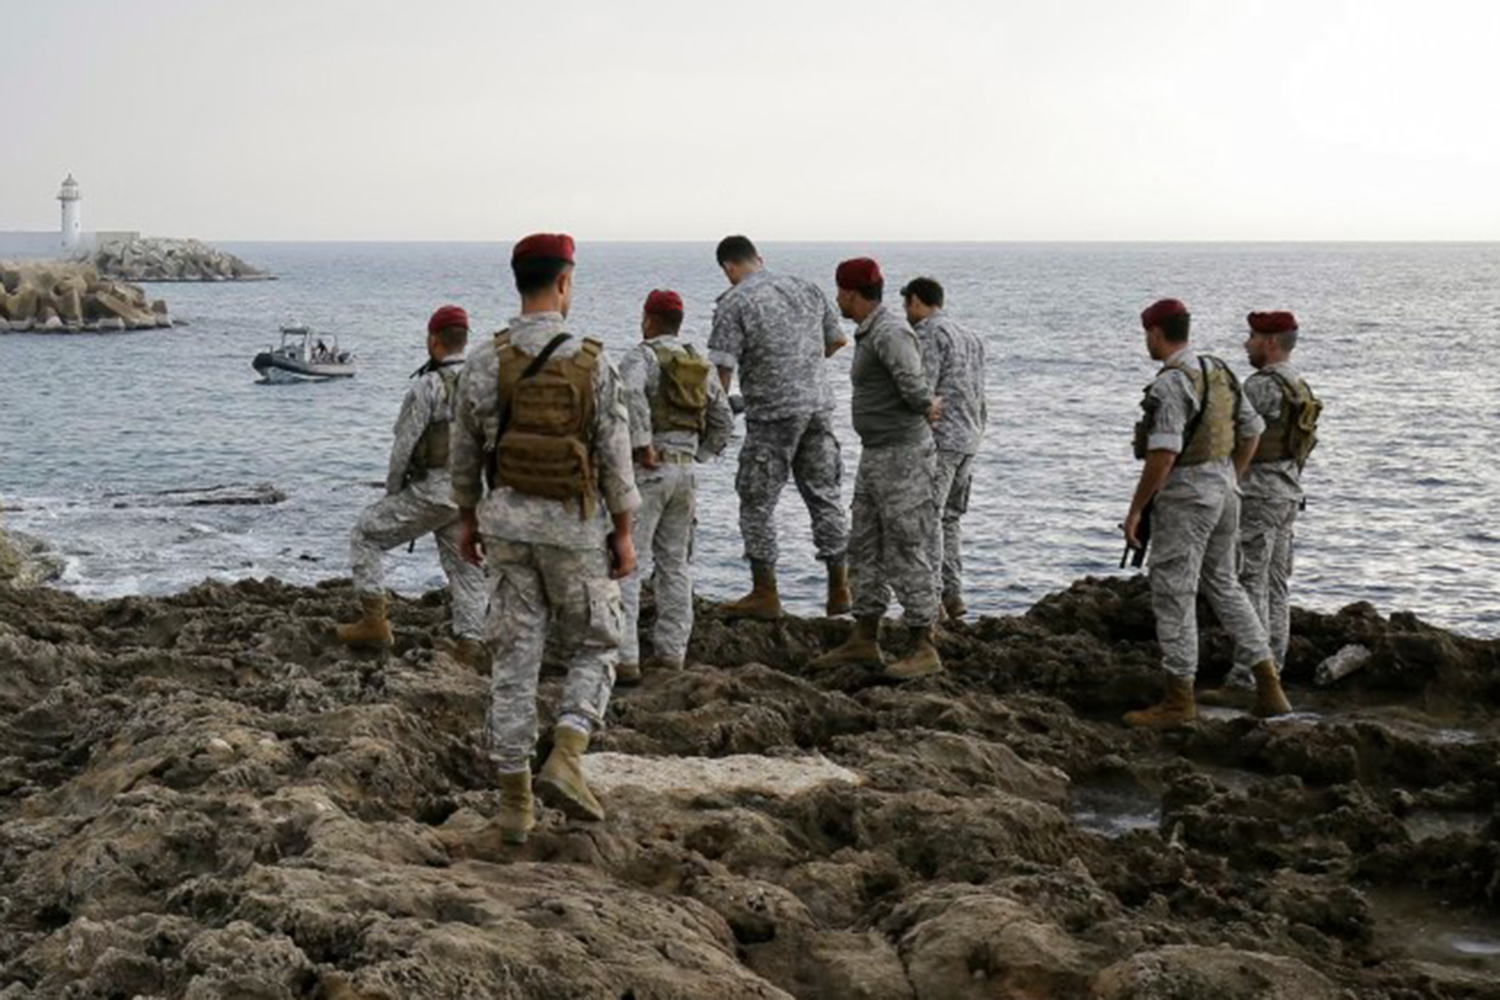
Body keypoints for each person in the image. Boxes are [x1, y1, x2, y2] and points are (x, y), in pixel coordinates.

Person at [450, 233, 640, 846]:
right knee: (597, 642)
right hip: (576, 530)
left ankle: (513, 806)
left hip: (505, 529)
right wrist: (626, 531)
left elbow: (463, 457)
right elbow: (616, 459)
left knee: (514, 662)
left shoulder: (484, 361)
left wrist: (469, 518)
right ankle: (568, 747)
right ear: (564, 281)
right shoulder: (594, 363)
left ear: (519, 282)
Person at [1122, 298, 1292, 728]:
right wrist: (1229, 478)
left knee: (1173, 592)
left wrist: (1136, 510)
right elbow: (1251, 431)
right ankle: (1268, 684)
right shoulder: (1218, 371)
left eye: (1147, 334)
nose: (1146, 341)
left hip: (1186, 498)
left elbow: (1163, 453)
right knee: (1225, 585)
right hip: (1225, 494)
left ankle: (1179, 699)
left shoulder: (1171, 384)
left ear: (1156, 333)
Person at [336, 305, 487, 669]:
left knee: (365, 534)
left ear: (433, 341)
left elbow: (404, 445)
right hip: (469, 493)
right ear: (464, 340)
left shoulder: (427, 386)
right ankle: (471, 643)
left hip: (432, 490)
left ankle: (374, 621)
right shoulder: (483, 384)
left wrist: (393, 492)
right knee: (466, 567)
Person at [708, 235, 851, 619]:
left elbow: (722, 370)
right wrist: (800, 363)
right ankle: (840, 589)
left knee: (756, 501)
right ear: (759, 258)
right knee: (824, 495)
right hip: (819, 407)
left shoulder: (734, 302)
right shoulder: (807, 289)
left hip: (772, 414)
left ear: (728, 268)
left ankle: (765, 592)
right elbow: (837, 341)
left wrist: (716, 419)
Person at [813, 258, 942, 679]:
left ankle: (923, 644)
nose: (837, 300)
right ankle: (864, 637)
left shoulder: (889, 331)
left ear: (851, 293)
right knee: (864, 543)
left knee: (906, 544)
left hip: (903, 457)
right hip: (877, 454)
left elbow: (913, 381)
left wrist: (928, 405)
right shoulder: (872, 331)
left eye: (840, 293)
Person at [616, 289, 735, 685]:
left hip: (648, 472)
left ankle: (626, 658)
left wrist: (642, 442)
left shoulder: (642, 357)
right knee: (676, 566)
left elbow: (628, 395)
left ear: (648, 319)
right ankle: (671, 654)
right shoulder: (697, 362)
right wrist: (699, 454)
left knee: (629, 562)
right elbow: (723, 420)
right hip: (685, 474)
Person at [1226, 310, 1320, 687]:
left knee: (1250, 581)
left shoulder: (1261, 386)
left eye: (1251, 336)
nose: (1246, 343)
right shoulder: (1299, 385)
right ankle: (1273, 666)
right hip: (1287, 494)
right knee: (1276, 584)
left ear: (1269, 341)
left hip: (1258, 495)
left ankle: (1250, 674)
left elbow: (1232, 434)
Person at [902, 277, 988, 619]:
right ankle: (953, 594)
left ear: (917, 302)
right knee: (950, 519)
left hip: (941, 439)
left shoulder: (929, 334)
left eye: (907, 304)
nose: (906, 312)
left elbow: (925, 391)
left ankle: (932, 598)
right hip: (970, 436)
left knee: (928, 519)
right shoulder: (970, 336)